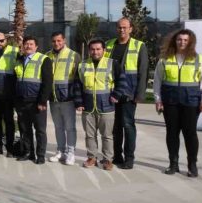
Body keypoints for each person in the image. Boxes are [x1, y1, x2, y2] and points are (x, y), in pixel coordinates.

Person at [154, 29, 202, 178]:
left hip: (191, 102)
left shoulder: (199, 59)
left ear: (190, 42)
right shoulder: (165, 59)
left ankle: (192, 164)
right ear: (175, 40)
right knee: (172, 134)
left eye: (185, 40)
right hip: (170, 102)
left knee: (190, 134)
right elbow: (157, 81)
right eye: (179, 39)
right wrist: (158, 99)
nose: (182, 42)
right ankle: (173, 164)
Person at [77, 39, 128, 171]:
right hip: (88, 106)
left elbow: (122, 81)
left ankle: (107, 160)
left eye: (98, 49)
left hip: (106, 106)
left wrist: (116, 95)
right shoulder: (83, 65)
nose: (95, 52)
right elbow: (77, 85)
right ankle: (92, 157)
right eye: (93, 49)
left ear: (104, 50)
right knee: (89, 135)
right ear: (89, 51)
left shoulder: (112, 64)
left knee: (107, 135)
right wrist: (79, 102)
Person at [105, 17, 148, 170]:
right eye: (119, 27)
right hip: (111, 93)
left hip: (129, 93)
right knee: (114, 127)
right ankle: (117, 156)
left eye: (124, 27)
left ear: (130, 29)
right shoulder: (109, 45)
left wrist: (140, 94)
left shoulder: (139, 46)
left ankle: (129, 158)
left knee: (128, 125)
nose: (121, 30)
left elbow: (143, 71)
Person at [13, 36, 53, 164]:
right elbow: (16, 80)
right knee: (25, 129)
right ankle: (28, 152)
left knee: (40, 130)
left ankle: (40, 155)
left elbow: (48, 82)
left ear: (36, 47)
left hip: (36, 102)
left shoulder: (43, 59)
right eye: (26, 44)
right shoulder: (19, 60)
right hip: (22, 101)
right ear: (23, 46)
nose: (28, 46)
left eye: (31, 44)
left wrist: (42, 101)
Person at [46, 32, 81, 165]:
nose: (56, 43)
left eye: (59, 41)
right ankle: (60, 151)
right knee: (58, 127)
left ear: (64, 40)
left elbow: (78, 78)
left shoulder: (73, 55)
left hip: (68, 98)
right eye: (54, 41)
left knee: (70, 127)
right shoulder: (47, 56)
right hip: (53, 98)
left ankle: (71, 153)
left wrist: (78, 99)